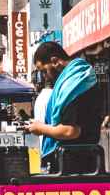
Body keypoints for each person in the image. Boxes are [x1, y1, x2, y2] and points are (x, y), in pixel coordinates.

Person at [23, 41, 101, 175]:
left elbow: (70, 131)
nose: (44, 77)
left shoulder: (74, 84)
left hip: (75, 165)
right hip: (81, 161)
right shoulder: (78, 78)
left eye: (44, 71)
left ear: (54, 61)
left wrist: (41, 128)